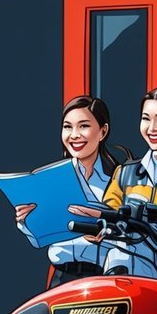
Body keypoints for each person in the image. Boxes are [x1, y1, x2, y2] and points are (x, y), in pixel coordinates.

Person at [15, 95, 119, 288]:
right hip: (60, 278)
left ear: (103, 131)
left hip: (100, 278)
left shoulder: (115, 183)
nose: (74, 135)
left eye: (83, 126)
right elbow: (39, 242)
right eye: (67, 127)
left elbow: (129, 237)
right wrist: (26, 221)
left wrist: (105, 235)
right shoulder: (51, 180)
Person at [100, 86, 157, 277]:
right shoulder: (126, 173)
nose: (152, 128)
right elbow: (106, 215)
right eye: (146, 119)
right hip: (132, 275)